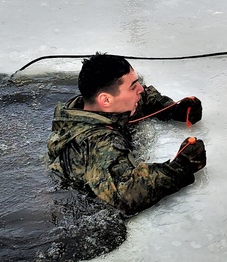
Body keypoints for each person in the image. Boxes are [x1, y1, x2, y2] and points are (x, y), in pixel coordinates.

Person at [47, 53, 207, 215]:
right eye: (133, 87)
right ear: (106, 100)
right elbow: (125, 194)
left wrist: (172, 109)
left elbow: (141, 98)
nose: (141, 89)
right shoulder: (99, 142)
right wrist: (181, 167)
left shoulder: (88, 106)